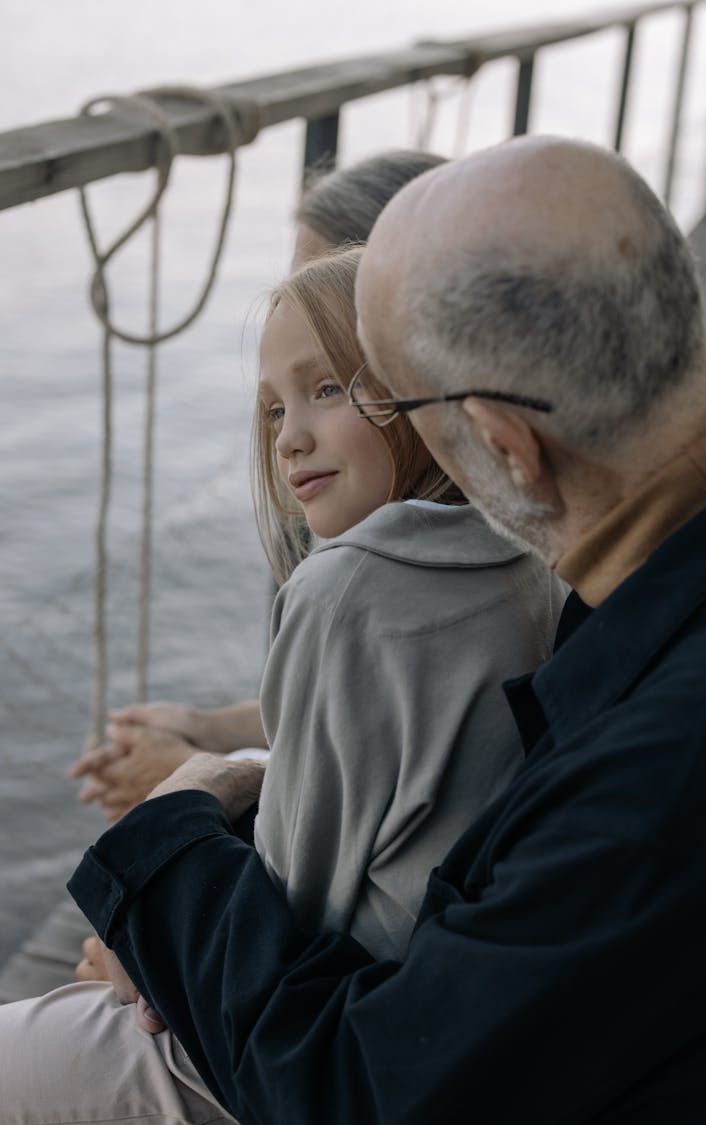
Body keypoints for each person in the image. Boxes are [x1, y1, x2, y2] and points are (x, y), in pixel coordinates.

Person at [5, 132, 706, 1123]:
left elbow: (368, 1091)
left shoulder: (668, 770)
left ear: (502, 446)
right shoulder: (666, 601)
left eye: (397, 404)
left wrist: (170, 846)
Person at [0, 242, 564, 1122]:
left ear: (417, 383)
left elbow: (292, 894)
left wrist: (147, 942)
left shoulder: (345, 588)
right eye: (272, 409)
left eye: (328, 388)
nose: (290, 434)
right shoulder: (525, 553)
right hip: (434, 1006)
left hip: (319, 1044)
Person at [68, 148, 449, 824]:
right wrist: (208, 728)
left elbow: (344, 812)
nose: (291, 311)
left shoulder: (356, 589)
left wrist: (196, 776)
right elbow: (355, 711)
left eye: (324, 287)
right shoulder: (472, 530)